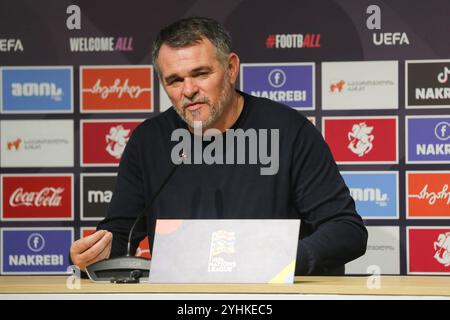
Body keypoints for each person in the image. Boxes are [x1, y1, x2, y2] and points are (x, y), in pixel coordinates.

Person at [70, 17, 367, 275]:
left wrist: (281, 260)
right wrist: (93, 257)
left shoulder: (289, 132)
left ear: (231, 68)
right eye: (174, 80)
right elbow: (120, 236)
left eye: (200, 74)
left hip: (270, 295)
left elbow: (346, 230)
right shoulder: (148, 142)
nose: (188, 91)